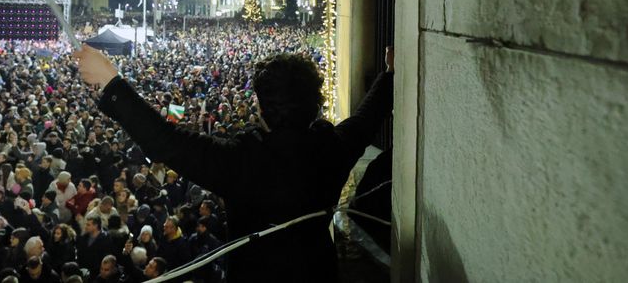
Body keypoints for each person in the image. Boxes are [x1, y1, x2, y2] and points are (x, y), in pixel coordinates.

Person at [74, 45, 395, 282]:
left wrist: (110, 81)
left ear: (263, 106)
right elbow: (366, 120)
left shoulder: (243, 161)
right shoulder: (331, 148)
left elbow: (166, 142)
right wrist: (390, 76)